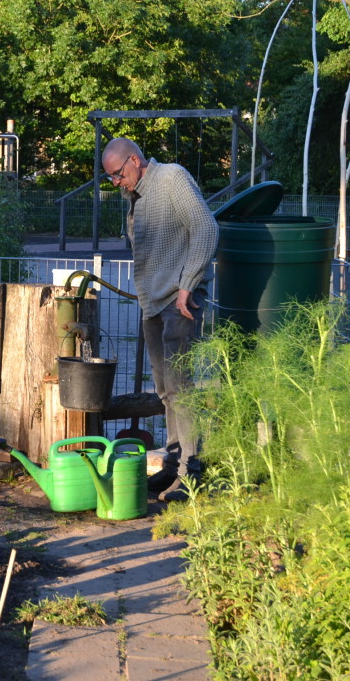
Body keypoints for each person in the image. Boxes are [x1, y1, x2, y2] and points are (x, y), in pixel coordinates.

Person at [101, 137, 218, 501]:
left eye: (119, 174)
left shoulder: (171, 179)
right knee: (166, 391)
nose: (117, 182)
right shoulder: (135, 196)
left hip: (180, 302)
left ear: (134, 160)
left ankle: (192, 474)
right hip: (153, 304)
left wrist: (187, 286)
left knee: (181, 388)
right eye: (112, 179)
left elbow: (206, 229)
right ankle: (172, 461)